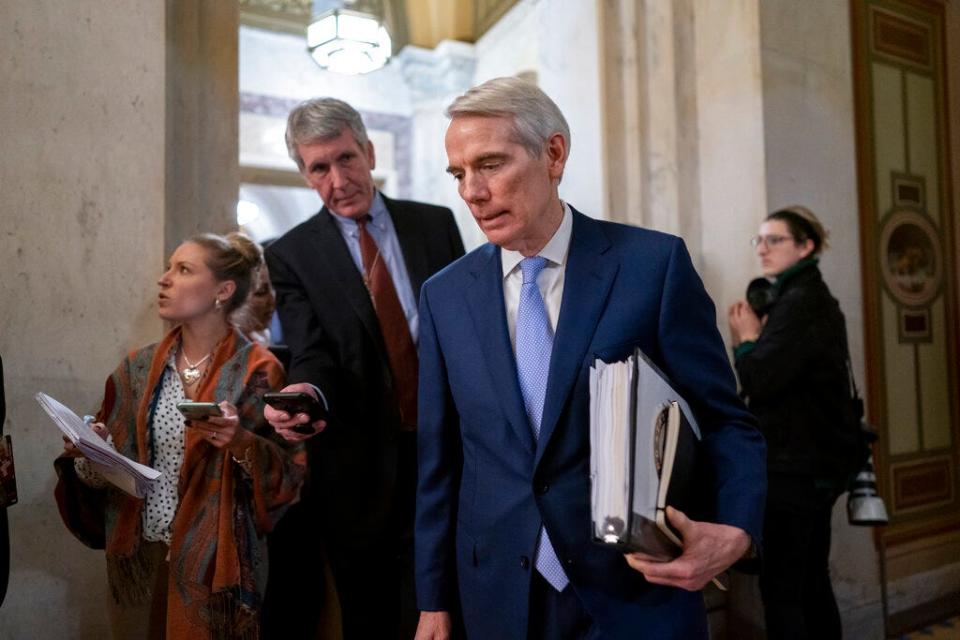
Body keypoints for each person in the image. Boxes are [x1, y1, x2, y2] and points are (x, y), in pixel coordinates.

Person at [414, 77, 766, 640]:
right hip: (499, 597)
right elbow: (440, 462)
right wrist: (432, 600)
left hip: (636, 593)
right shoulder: (444, 296)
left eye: (491, 164)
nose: (471, 192)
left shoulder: (652, 266)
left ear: (553, 154)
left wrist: (737, 528)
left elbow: (726, 420)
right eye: (459, 173)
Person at [262, 97, 465, 639]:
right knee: (371, 617)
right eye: (319, 168)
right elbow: (311, 352)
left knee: (455, 608)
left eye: (346, 158)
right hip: (357, 467)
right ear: (306, 175)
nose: (338, 179)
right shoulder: (290, 254)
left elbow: (468, 333)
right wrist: (305, 390)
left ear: (369, 152)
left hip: (450, 452)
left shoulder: (436, 225)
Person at [54, 232, 305, 639]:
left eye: (183, 270)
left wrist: (240, 443)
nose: (164, 279)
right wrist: (91, 451)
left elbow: (288, 478)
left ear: (223, 290)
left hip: (214, 566)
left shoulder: (259, 371)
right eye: (169, 267)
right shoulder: (136, 369)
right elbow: (106, 478)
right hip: (142, 554)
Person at [728, 206, 855, 640]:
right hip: (810, 465)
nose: (762, 248)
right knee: (810, 582)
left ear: (806, 246)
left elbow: (760, 379)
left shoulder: (802, 303)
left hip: (794, 468)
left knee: (783, 589)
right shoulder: (804, 298)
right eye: (759, 240)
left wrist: (746, 340)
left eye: (775, 240)